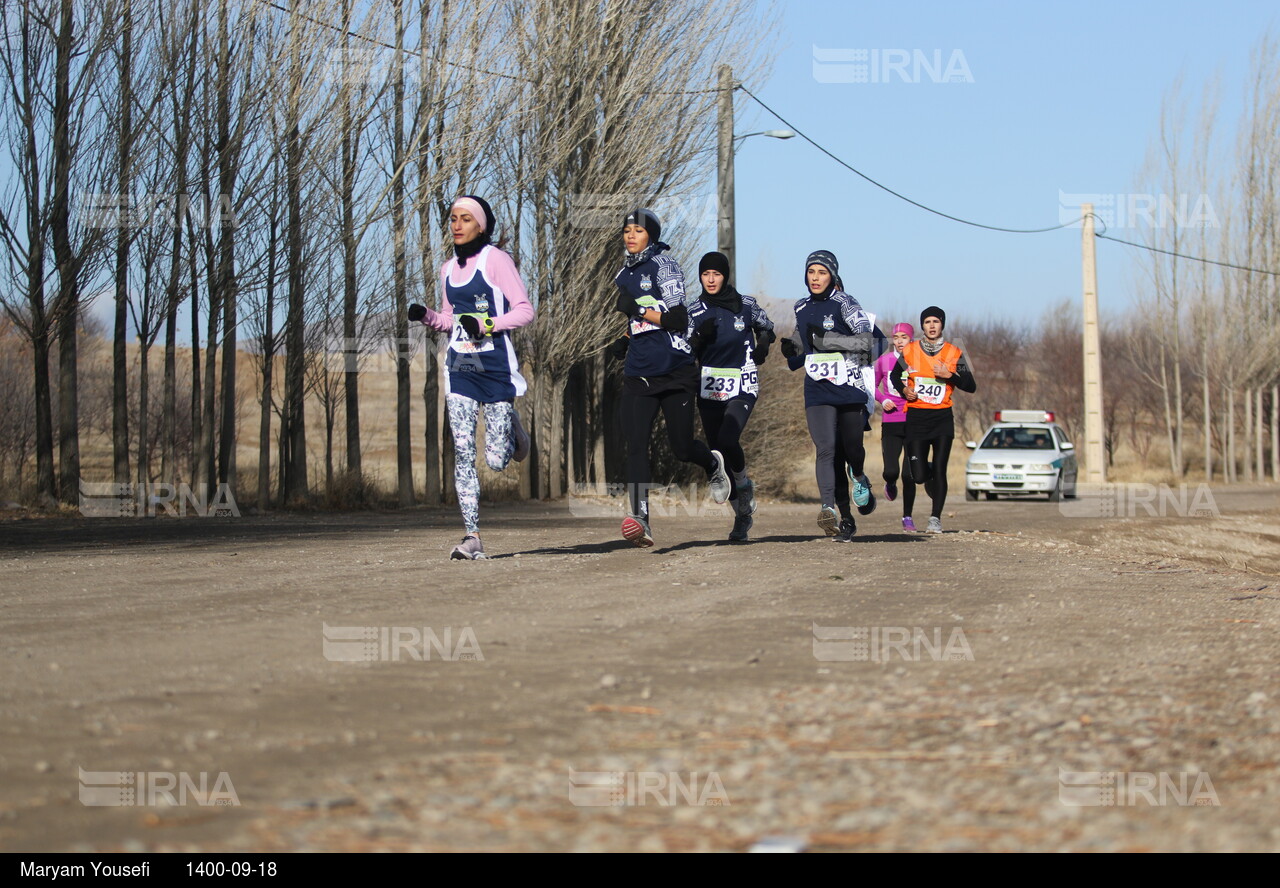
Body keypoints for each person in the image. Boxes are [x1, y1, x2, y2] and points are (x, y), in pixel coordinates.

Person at [408, 195, 532, 560]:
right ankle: (472, 536)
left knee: (495, 460)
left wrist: (488, 324)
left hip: (494, 368)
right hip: (461, 367)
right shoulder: (448, 269)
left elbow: (525, 310)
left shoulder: (496, 261)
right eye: (452, 219)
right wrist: (427, 316)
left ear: (481, 226)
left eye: (465, 219)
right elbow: (450, 319)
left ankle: (513, 428)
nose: (457, 225)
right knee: (462, 452)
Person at [606, 209, 730, 548]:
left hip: (675, 369)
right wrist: (626, 338)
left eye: (638, 230)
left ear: (652, 236)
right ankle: (641, 519)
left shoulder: (665, 265)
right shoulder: (623, 274)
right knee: (636, 446)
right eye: (626, 230)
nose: (630, 235)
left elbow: (676, 319)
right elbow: (640, 321)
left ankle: (711, 463)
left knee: (681, 447)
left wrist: (636, 310)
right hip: (638, 372)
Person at [779, 250, 877, 538]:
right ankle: (833, 511)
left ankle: (858, 476)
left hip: (849, 388)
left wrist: (827, 341)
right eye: (811, 272)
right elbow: (802, 342)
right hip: (818, 389)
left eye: (822, 272)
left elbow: (867, 341)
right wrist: (792, 348)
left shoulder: (846, 302)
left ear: (832, 275)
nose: (815, 278)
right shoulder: (801, 306)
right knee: (827, 450)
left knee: (852, 450)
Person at [687, 251, 775, 541]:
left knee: (727, 438)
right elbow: (684, 351)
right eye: (705, 274)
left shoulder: (745, 304)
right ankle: (742, 517)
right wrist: (698, 339)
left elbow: (767, 326)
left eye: (716, 274)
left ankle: (744, 481)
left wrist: (762, 342)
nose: (711, 280)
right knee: (719, 454)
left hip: (742, 382)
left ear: (725, 276)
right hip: (710, 386)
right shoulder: (694, 311)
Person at [888, 306, 977, 534]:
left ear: (942, 325)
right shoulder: (910, 350)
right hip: (917, 418)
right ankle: (925, 473)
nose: (932, 325)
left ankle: (935, 518)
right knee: (918, 475)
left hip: (942, 419)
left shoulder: (954, 352)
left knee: (940, 469)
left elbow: (971, 385)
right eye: (927, 322)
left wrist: (951, 376)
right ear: (922, 326)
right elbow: (894, 376)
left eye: (936, 321)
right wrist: (905, 391)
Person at [875, 322, 918, 532]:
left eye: (904, 337)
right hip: (891, 421)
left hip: (913, 421)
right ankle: (890, 484)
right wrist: (883, 401)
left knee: (909, 475)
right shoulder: (884, 361)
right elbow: (870, 386)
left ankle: (907, 516)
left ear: (911, 339)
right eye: (897, 337)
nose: (900, 341)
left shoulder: (918, 360)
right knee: (891, 471)